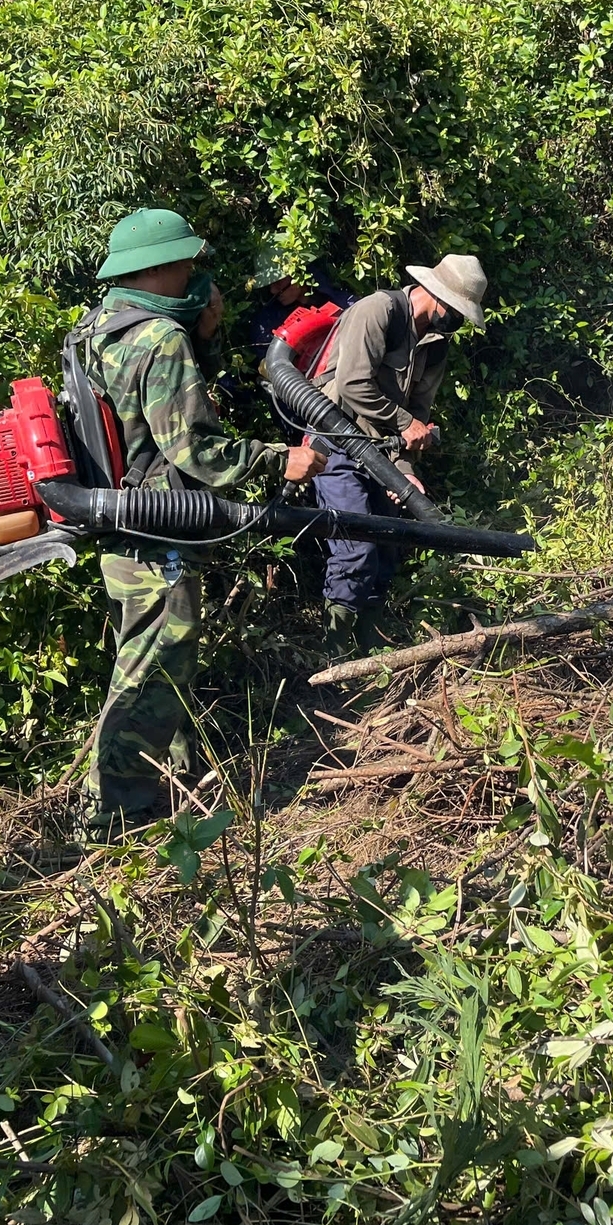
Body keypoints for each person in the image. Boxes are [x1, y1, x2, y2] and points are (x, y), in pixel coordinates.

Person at [67, 209, 326, 832]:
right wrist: (280, 461)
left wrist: (205, 336)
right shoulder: (159, 338)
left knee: (153, 657)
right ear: (161, 266)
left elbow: (141, 423)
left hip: (122, 525)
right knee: (155, 663)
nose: (194, 271)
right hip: (157, 531)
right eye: (185, 260)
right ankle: (112, 816)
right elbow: (195, 450)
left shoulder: (96, 326)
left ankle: (173, 780)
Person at [309, 254, 487, 655]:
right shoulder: (378, 311)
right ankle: (334, 653)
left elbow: (419, 420)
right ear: (435, 294)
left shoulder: (437, 346)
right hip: (337, 443)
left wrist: (404, 471)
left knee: (389, 546)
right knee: (357, 549)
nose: (457, 322)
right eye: (457, 311)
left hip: (382, 454)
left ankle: (371, 652)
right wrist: (405, 423)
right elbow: (353, 384)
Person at [242, 248, 355, 357]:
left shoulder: (347, 305)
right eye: (270, 284)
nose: (273, 290)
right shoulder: (268, 323)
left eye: (278, 281)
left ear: (300, 274)